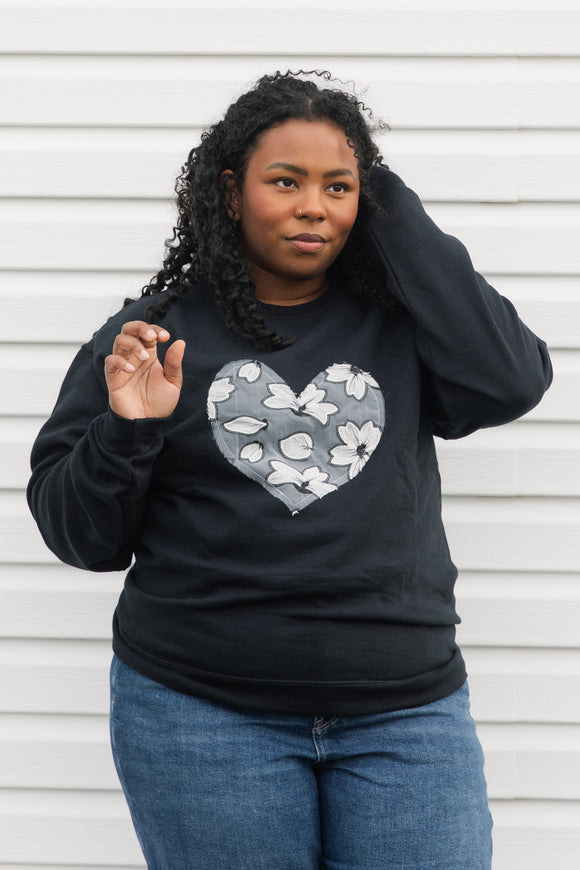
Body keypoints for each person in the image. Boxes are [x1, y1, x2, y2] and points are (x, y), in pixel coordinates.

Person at [27, 70, 552, 870]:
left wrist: (388, 203)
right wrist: (126, 430)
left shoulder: (408, 329)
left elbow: (511, 381)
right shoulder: (150, 338)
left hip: (405, 713)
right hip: (199, 715)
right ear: (230, 194)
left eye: (339, 187)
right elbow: (82, 538)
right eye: (286, 182)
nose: (315, 205)